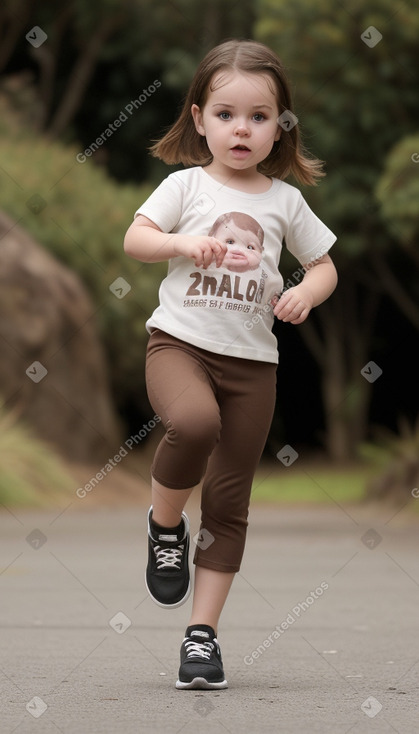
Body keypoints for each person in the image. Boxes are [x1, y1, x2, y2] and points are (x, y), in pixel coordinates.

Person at [124, 38, 338, 690]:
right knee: (192, 424)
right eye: (224, 114)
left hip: (253, 367)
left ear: (280, 126)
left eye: (257, 116)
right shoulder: (184, 185)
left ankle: (201, 638)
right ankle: (164, 527)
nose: (240, 128)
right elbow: (136, 239)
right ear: (198, 118)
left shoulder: (283, 201)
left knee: (226, 502)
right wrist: (183, 241)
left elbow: (324, 264)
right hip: (180, 346)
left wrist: (303, 289)